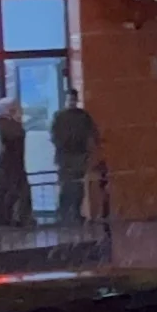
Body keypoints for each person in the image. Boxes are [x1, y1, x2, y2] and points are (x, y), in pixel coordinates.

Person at [51, 87, 100, 222]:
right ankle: (65, 214)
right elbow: (56, 137)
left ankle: (72, 213)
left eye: (73, 99)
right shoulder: (63, 117)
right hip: (68, 157)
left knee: (76, 187)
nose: (71, 102)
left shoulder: (80, 116)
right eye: (69, 100)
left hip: (75, 156)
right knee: (68, 186)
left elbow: (92, 133)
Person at [0, 100, 31, 227]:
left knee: (14, 192)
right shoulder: (6, 125)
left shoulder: (5, 125)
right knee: (14, 192)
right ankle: (11, 219)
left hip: (13, 165)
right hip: (11, 166)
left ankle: (11, 218)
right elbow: (15, 138)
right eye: (17, 109)